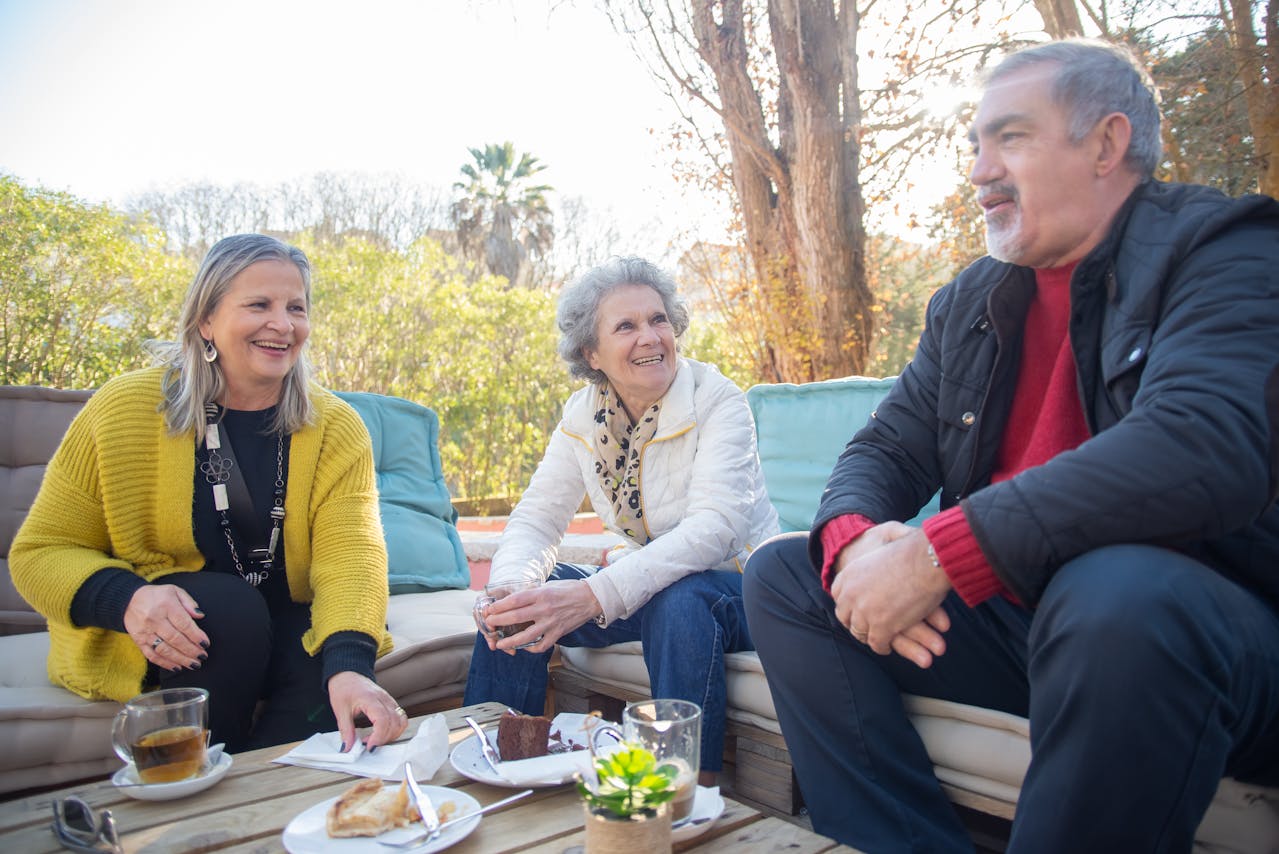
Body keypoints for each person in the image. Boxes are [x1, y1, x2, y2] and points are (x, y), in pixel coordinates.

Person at [743, 38, 1279, 853]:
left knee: (1116, 592)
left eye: (1010, 137)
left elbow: (1201, 445)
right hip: (1025, 622)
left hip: (1192, 629)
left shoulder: (1223, 249)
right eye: (974, 145)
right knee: (785, 576)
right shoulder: (973, 299)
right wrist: (854, 550)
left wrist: (936, 556)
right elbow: (883, 447)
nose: (978, 169)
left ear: (1105, 144)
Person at [11, 234, 408, 754]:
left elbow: (352, 555)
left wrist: (353, 666)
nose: (283, 325)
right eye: (259, 305)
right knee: (226, 607)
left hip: (282, 632)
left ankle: (263, 799)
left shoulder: (334, 426)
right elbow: (40, 552)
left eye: (296, 308)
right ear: (205, 320)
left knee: (331, 645)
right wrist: (127, 600)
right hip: (171, 635)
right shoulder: (124, 408)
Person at [462, 256, 779, 782]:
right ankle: (491, 761)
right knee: (514, 602)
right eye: (626, 326)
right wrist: (512, 586)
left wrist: (594, 596)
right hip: (654, 585)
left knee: (681, 600)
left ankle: (684, 789)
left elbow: (716, 528)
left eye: (658, 320)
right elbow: (539, 518)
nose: (651, 337)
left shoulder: (718, 399)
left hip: (742, 589)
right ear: (592, 351)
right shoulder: (582, 417)